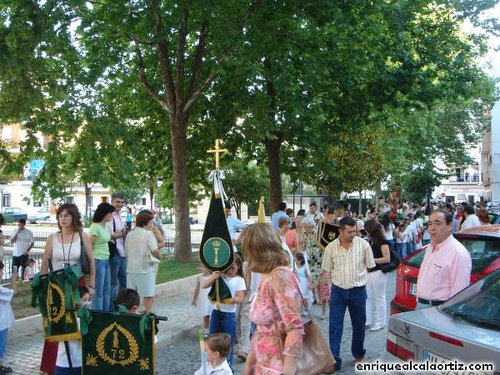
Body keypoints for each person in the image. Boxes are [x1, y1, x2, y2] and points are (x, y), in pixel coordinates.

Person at [240, 223, 303, 375]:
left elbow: (295, 329)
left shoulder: (280, 278)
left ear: (257, 250)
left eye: (246, 250)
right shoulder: (266, 276)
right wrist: (249, 366)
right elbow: (262, 330)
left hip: (278, 367)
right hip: (265, 365)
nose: (245, 255)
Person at [321, 216, 375, 371]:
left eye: (355, 231)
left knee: (359, 325)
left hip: (358, 291)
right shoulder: (330, 247)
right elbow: (326, 271)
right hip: (338, 291)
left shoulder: (363, 245)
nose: (353, 234)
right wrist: (323, 291)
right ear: (340, 231)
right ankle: (334, 361)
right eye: (350, 232)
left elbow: (370, 266)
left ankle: (358, 355)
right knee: (335, 326)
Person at [416, 209, 472, 309]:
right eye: (430, 224)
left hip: (438, 309)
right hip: (420, 306)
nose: (432, 228)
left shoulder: (458, 254)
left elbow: (459, 295)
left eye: (438, 224)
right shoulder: (430, 247)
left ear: (450, 226)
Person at [203, 253, 246, 366]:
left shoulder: (239, 280)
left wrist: (227, 300)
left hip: (228, 315)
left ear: (238, 267)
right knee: (213, 342)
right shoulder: (220, 277)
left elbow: (240, 298)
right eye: (228, 268)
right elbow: (204, 285)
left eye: (233, 268)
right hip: (216, 312)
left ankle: (227, 368)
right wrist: (213, 276)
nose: (230, 270)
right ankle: (213, 367)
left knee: (227, 345)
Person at [124, 209, 159, 313]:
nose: (151, 225)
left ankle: (133, 314)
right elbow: (155, 250)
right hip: (145, 269)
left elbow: (126, 253)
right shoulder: (147, 234)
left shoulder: (130, 234)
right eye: (151, 223)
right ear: (145, 223)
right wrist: (159, 256)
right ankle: (148, 315)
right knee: (149, 295)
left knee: (133, 296)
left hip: (131, 269)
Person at [53, 286, 90, 375]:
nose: (88, 303)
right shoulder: (71, 319)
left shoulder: (85, 317)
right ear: (76, 301)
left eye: (88, 300)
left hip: (74, 363)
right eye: (85, 300)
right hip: (67, 364)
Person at [364, 219, 391, 331]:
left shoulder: (382, 241)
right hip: (370, 271)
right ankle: (367, 320)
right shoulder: (371, 240)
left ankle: (380, 322)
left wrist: (371, 260)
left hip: (379, 272)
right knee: (367, 297)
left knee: (379, 297)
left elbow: (387, 258)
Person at [89, 202, 116, 311]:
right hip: (98, 260)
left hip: (106, 259)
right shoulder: (95, 227)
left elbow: (109, 238)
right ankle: (98, 313)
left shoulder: (106, 226)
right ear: (105, 214)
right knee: (99, 290)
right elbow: (90, 246)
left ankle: (106, 312)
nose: (111, 216)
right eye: (110, 213)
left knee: (107, 289)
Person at [109, 192, 128, 311]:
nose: (120, 205)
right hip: (114, 252)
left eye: (122, 202)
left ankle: (121, 305)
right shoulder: (110, 216)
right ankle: (112, 307)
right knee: (114, 282)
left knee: (124, 279)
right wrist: (124, 233)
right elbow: (110, 235)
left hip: (122, 252)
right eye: (117, 202)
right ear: (112, 201)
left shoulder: (119, 215)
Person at [0, 261, 16, 374]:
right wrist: (13, 279)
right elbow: (13, 292)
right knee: (1, 345)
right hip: (1, 323)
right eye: (0, 271)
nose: (1, 273)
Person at [192, 266, 214, 337]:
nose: (201, 268)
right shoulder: (200, 277)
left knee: (213, 314)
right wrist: (194, 299)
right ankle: (206, 330)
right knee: (205, 315)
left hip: (211, 298)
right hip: (204, 299)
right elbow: (197, 289)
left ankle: (214, 329)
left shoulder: (212, 276)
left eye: (204, 267)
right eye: (201, 267)